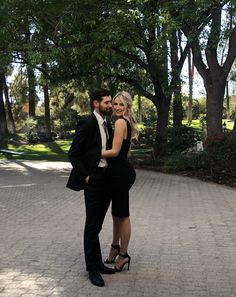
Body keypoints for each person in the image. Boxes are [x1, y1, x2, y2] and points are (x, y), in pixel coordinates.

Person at [66, 88, 115, 287]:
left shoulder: (107, 125)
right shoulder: (87, 123)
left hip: (106, 179)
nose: (110, 105)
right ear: (96, 103)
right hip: (93, 180)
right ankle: (92, 269)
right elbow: (73, 154)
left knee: (98, 224)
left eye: (110, 102)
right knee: (92, 225)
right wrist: (86, 176)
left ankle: (98, 263)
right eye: (106, 102)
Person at [101, 91, 138, 272]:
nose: (116, 107)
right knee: (116, 214)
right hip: (119, 172)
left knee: (122, 216)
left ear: (127, 107)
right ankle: (115, 247)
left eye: (121, 105)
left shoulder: (121, 122)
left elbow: (114, 152)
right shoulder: (125, 122)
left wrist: (92, 153)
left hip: (121, 174)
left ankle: (124, 255)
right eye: (115, 104)